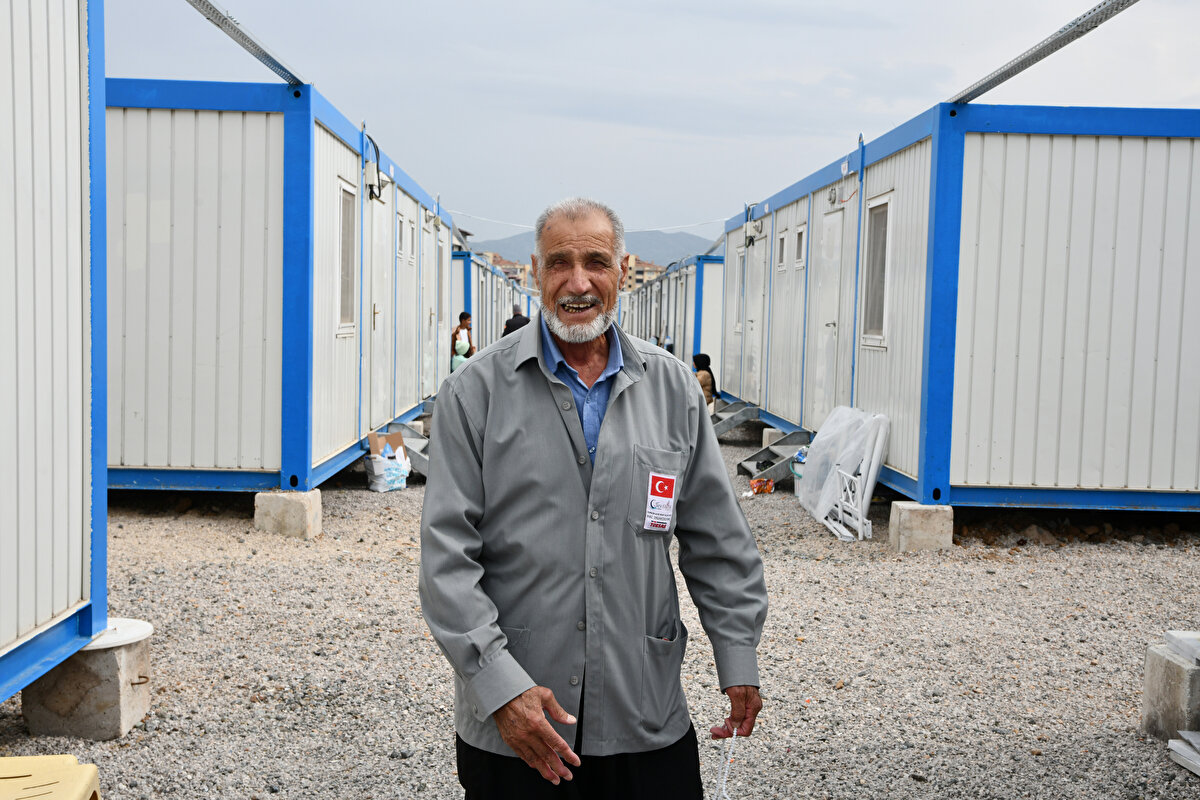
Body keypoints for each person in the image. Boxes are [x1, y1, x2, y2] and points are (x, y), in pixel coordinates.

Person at [420, 197, 768, 800]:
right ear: (535, 271)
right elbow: (447, 561)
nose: (577, 282)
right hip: (518, 729)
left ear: (623, 271)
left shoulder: (672, 388)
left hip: (645, 714)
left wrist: (736, 654)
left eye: (595, 262)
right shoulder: (473, 393)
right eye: (559, 263)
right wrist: (500, 686)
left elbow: (717, 538)